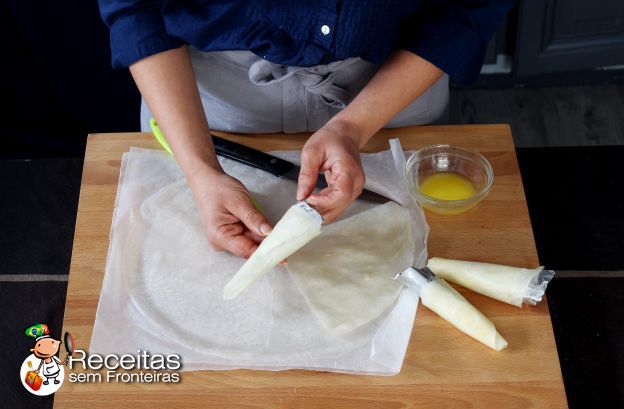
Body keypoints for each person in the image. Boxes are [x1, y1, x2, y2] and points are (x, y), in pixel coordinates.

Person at [99, 1, 513, 258]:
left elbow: (468, 8)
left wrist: (353, 126)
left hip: (395, 85)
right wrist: (201, 171)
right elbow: (136, 8)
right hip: (206, 103)